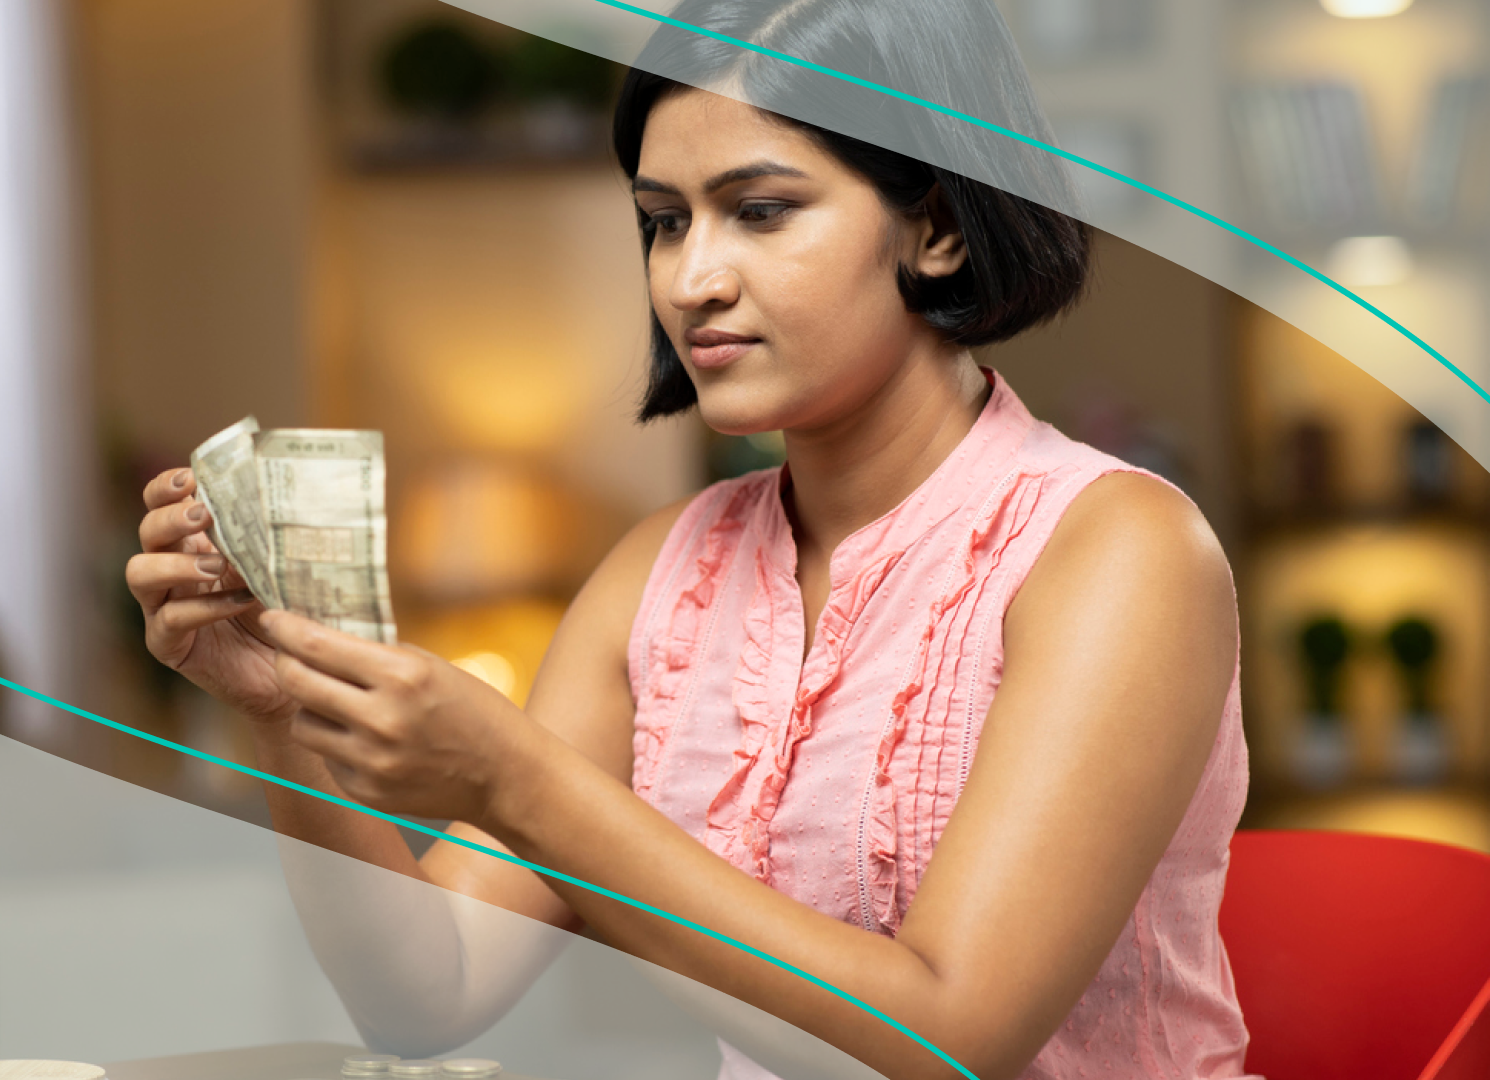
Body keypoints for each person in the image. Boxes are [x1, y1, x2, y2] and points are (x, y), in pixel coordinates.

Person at [125, 2, 1251, 1077]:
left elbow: (950, 1041)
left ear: (940, 226)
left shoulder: (1119, 551)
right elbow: (429, 992)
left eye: (759, 210)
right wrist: (283, 717)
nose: (690, 279)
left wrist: (517, 781)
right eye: (665, 221)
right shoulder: (662, 573)